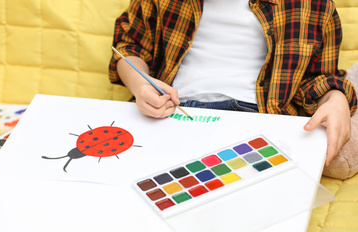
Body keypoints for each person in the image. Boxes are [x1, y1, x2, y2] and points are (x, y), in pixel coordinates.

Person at [109, 0, 357, 166]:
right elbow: (129, 47)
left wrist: (336, 100)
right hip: (173, 113)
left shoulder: (312, 5)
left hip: (258, 118)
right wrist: (140, 85)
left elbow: (318, 78)